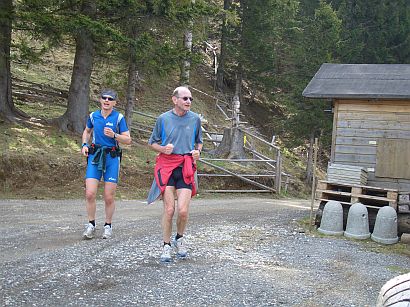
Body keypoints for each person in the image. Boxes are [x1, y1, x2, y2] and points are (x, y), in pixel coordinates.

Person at [148, 86, 203, 262]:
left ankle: (179, 238)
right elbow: (152, 143)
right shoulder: (163, 119)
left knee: (183, 210)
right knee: (170, 209)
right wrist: (163, 149)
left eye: (190, 99)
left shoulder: (195, 119)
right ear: (175, 100)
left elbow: (199, 142)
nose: (188, 102)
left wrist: (197, 152)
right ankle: (166, 245)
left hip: (185, 166)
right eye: (185, 98)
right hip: (167, 167)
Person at [81, 89, 131, 240]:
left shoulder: (119, 118)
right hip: (95, 156)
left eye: (110, 99)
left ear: (115, 103)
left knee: (109, 196)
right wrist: (84, 144)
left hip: (112, 157)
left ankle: (108, 225)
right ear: (100, 100)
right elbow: (87, 131)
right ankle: (91, 224)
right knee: (90, 193)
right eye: (104, 98)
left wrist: (115, 135)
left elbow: (128, 140)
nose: (107, 100)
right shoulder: (93, 115)